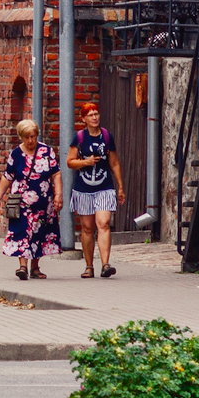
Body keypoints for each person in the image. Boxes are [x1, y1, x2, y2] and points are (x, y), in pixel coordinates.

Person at [67, 100, 127, 279]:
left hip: (104, 186)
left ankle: (105, 264)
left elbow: (114, 163)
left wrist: (120, 186)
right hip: (84, 188)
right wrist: (85, 162)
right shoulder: (79, 138)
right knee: (87, 228)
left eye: (96, 114)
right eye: (90, 115)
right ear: (83, 118)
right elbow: (70, 162)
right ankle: (88, 266)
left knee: (103, 223)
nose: (94, 117)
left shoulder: (107, 136)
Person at [2, 118, 60, 281]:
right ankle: (22, 266)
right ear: (21, 136)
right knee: (22, 231)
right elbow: (8, 176)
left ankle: (35, 267)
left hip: (43, 202)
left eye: (33, 136)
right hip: (22, 203)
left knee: (39, 232)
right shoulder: (16, 154)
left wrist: (58, 195)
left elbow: (55, 173)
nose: (30, 140)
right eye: (27, 137)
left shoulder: (47, 151)